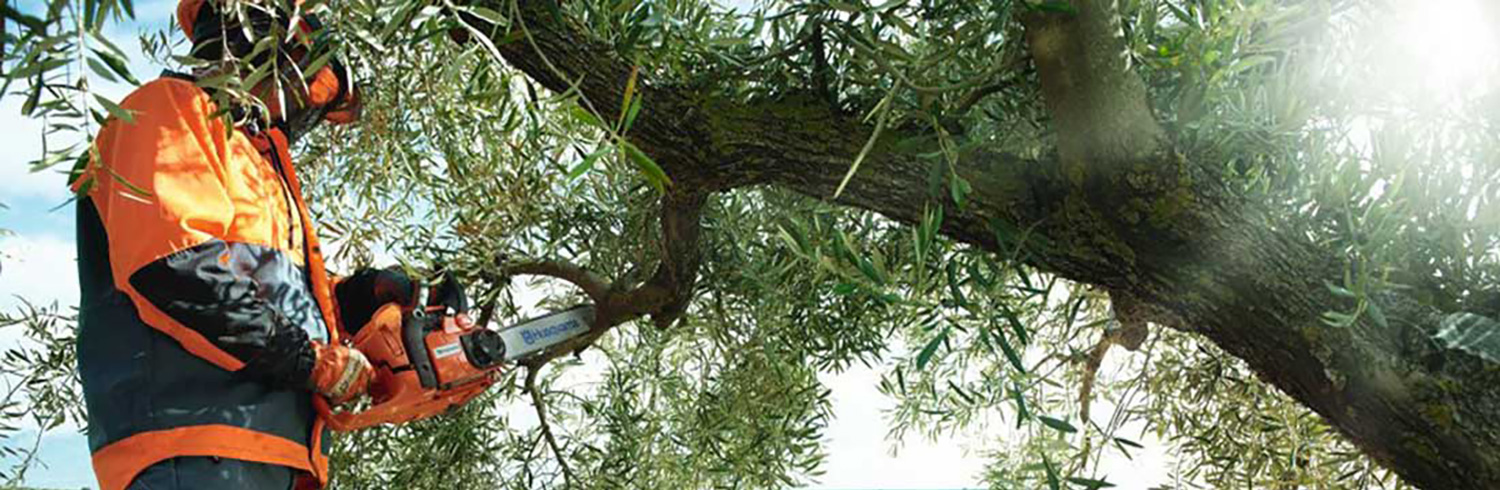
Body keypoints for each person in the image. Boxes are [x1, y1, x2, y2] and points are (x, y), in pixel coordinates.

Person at [72, 1, 408, 488]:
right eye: (309, 85)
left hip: (277, 450)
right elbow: (175, 270)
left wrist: (362, 297)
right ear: (261, 43)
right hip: (193, 445)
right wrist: (309, 361)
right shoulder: (168, 110)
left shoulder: (254, 162)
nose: (305, 106)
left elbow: (273, 292)